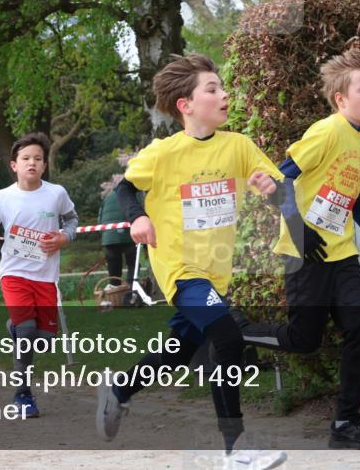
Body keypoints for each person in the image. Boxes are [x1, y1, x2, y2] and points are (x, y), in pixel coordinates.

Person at [95, 54, 287, 470]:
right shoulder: (164, 153)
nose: (224, 95)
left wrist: (271, 189)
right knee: (227, 338)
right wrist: (139, 216)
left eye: (222, 87)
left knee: (180, 350)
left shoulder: (238, 146)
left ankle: (121, 389)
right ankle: (236, 449)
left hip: (217, 274)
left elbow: (281, 196)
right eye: (213, 89)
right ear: (186, 105)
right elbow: (125, 190)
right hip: (181, 272)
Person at [236, 49, 360, 451]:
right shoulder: (327, 131)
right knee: (303, 339)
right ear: (341, 100)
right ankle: (237, 329)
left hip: (342, 255)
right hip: (304, 255)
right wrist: (299, 230)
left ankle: (345, 423)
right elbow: (279, 177)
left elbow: (357, 205)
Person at [0, 132, 78, 419]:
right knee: (26, 333)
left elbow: (72, 220)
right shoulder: (3, 197)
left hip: (46, 276)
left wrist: (63, 238)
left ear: (45, 165)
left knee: (45, 339)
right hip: (14, 273)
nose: (32, 163)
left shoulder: (56, 193)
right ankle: (22, 394)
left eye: (38, 159)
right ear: (14, 165)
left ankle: (14, 327)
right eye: (26, 159)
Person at [98, 173, 137, 305]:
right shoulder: (134, 195)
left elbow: (100, 219)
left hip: (109, 237)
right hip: (129, 236)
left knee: (114, 269)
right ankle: (130, 295)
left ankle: (113, 298)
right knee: (133, 265)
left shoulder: (108, 197)